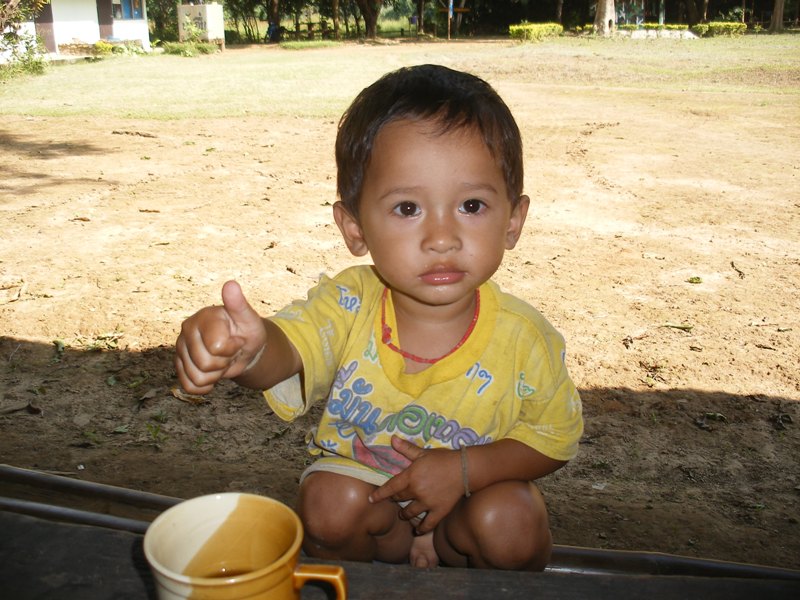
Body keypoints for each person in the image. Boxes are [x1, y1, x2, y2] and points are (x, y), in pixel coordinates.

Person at [175, 64, 583, 571]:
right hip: (377, 513)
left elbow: (554, 438)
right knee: (329, 505)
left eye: (472, 205)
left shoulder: (525, 339)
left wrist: (462, 470)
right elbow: (290, 350)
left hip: (469, 510)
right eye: (408, 209)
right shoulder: (349, 304)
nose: (442, 238)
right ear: (354, 228)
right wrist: (251, 349)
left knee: (510, 519)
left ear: (513, 221)